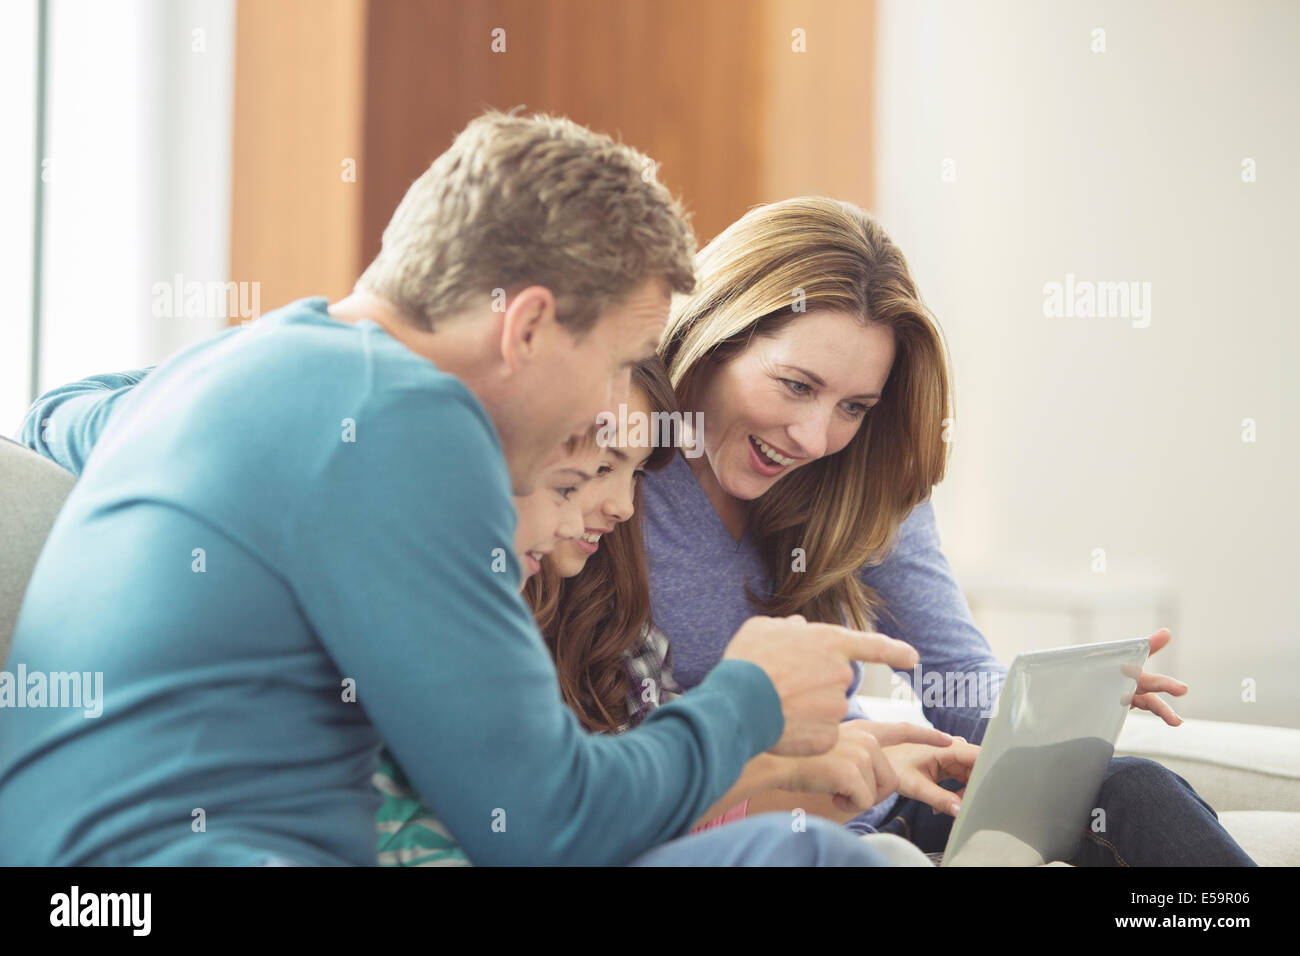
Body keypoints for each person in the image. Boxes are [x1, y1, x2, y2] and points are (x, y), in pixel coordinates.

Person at [0, 111, 914, 867]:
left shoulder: (250, 366)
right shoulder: (408, 427)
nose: (615, 411)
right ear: (525, 328)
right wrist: (751, 696)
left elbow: (53, 420)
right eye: (623, 361)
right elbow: (546, 825)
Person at [640, 196, 1256, 865]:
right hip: (757, 825)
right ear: (712, 335)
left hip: (892, 800)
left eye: (853, 406)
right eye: (794, 386)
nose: (816, 437)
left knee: (1136, 789)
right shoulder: (607, 481)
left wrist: (1057, 710)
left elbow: (958, 682)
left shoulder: (859, 477)